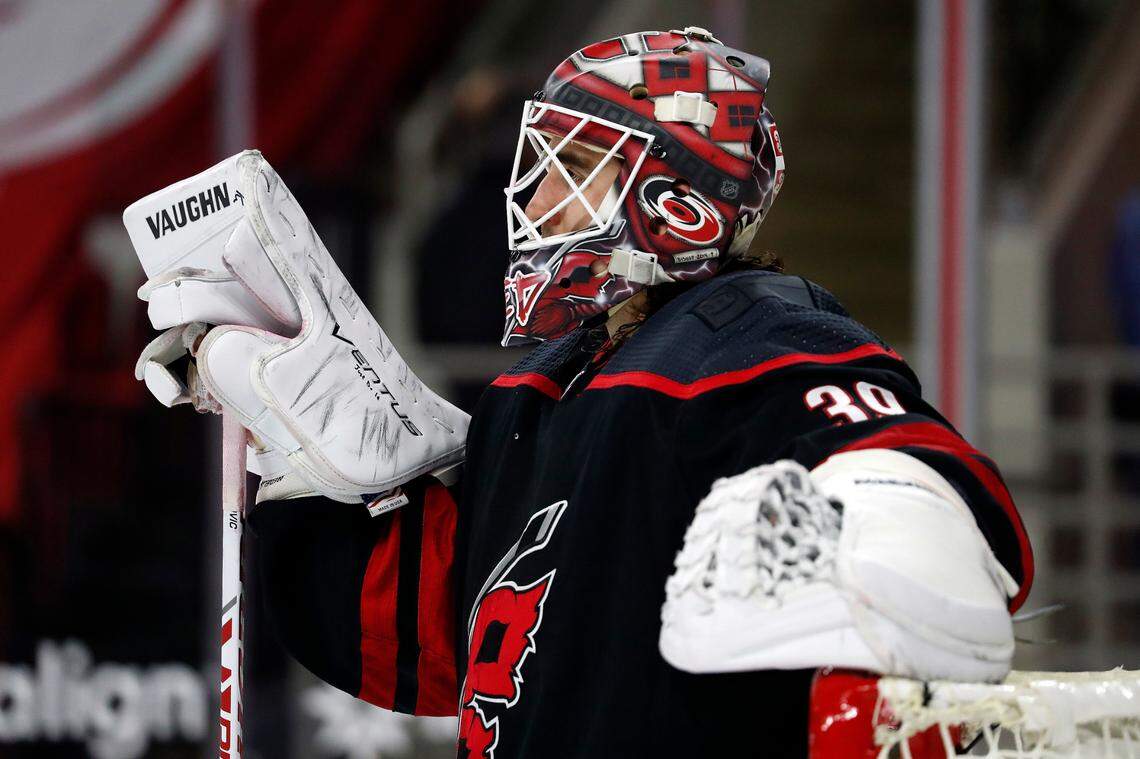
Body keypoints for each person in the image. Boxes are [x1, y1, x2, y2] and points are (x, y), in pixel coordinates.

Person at [125, 27, 1032, 758]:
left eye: (569, 174)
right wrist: (315, 473)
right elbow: (458, 647)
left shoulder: (744, 330)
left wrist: (891, 550)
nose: (529, 204)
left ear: (678, 208)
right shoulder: (540, 393)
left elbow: (922, 503)